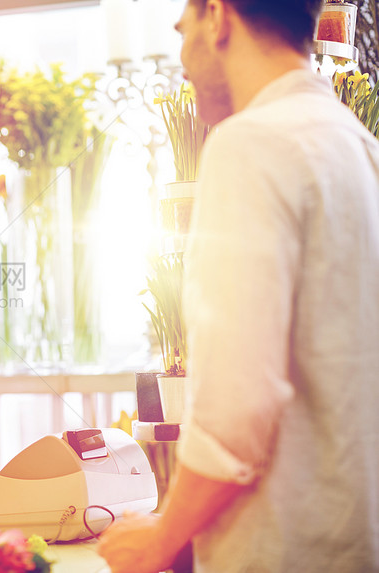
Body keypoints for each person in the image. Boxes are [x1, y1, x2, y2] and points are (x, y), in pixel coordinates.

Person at [98, 1, 379, 572]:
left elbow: (239, 406)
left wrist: (159, 540)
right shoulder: (358, 146)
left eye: (182, 32)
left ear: (218, 17)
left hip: (277, 550)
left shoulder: (249, 143)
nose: (181, 58)